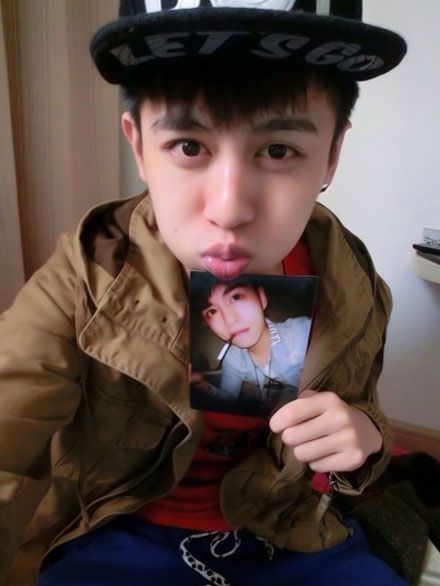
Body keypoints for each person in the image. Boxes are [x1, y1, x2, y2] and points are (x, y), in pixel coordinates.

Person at [0, 1, 410, 585]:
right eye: (189, 147)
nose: (229, 209)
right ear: (139, 146)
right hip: (116, 525)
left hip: (287, 527)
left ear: (332, 156)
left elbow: (357, 418)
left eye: (278, 150)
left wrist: (365, 435)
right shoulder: (86, 275)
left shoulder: (352, 282)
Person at [190, 276, 312, 415]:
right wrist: (202, 385)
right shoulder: (232, 357)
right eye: (212, 312)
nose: (230, 321)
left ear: (261, 298)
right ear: (207, 324)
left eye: (236, 297)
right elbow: (229, 399)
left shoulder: (303, 332)